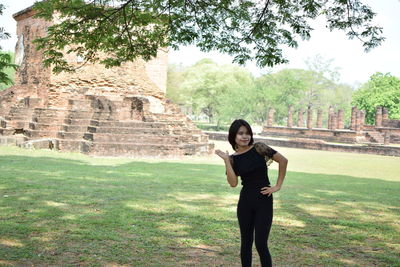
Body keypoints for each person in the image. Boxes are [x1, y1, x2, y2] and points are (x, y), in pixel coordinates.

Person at [215, 119, 288, 267]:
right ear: (233, 136)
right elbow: (233, 183)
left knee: (261, 244)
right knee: (246, 244)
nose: (245, 136)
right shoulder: (233, 159)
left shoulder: (259, 148)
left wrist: (277, 186)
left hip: (264, 201)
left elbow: (283, 161)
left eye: (247, 133)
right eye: (241, 133)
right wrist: (227, 161)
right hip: (245, 202)